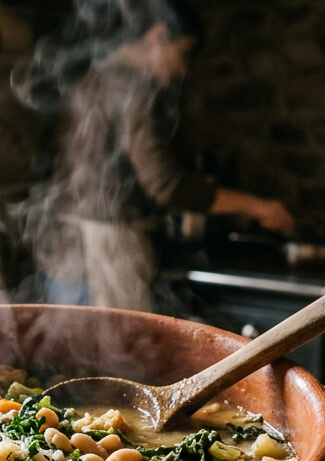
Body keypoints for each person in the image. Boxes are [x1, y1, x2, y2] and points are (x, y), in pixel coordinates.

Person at [20, 0, 294, 311]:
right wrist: (255, 205)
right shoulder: (135, 90)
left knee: (74, 354)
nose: (182, 68)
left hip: (61, 254)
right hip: (105, 249)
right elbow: (167, 185)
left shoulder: (92, 79)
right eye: (183, 52)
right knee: (118, 355)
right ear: (158, 35)